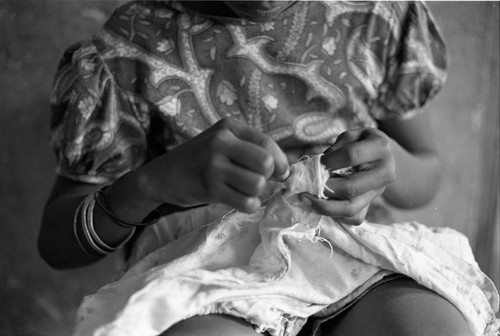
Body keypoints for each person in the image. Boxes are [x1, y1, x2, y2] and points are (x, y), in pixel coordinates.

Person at [38, 1, 497, 335]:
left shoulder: (375, 18)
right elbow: (59, 245)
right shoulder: (128, 48)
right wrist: (154, 183)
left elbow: (428, 174)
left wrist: (389, 170)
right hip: (200, 267)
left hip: (359, 251)